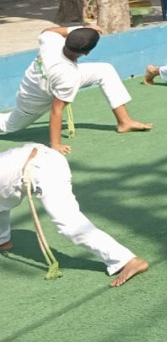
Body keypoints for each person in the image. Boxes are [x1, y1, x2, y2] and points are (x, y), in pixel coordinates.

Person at [0, 143, 149, 286]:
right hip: (41, 159)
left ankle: (127, 260)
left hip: (41, 168)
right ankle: (3, 240)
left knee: (68, 224)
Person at [0, 26, 152, 154]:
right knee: (8, 125)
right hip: (31, 101)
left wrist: (81, 29)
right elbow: (56, 110)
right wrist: (56, 144)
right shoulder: (68, 76)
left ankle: (124, 122)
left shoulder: (52, 41)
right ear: (86, 53)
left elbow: (46, 31)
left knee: (105, 70)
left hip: (49, 81)